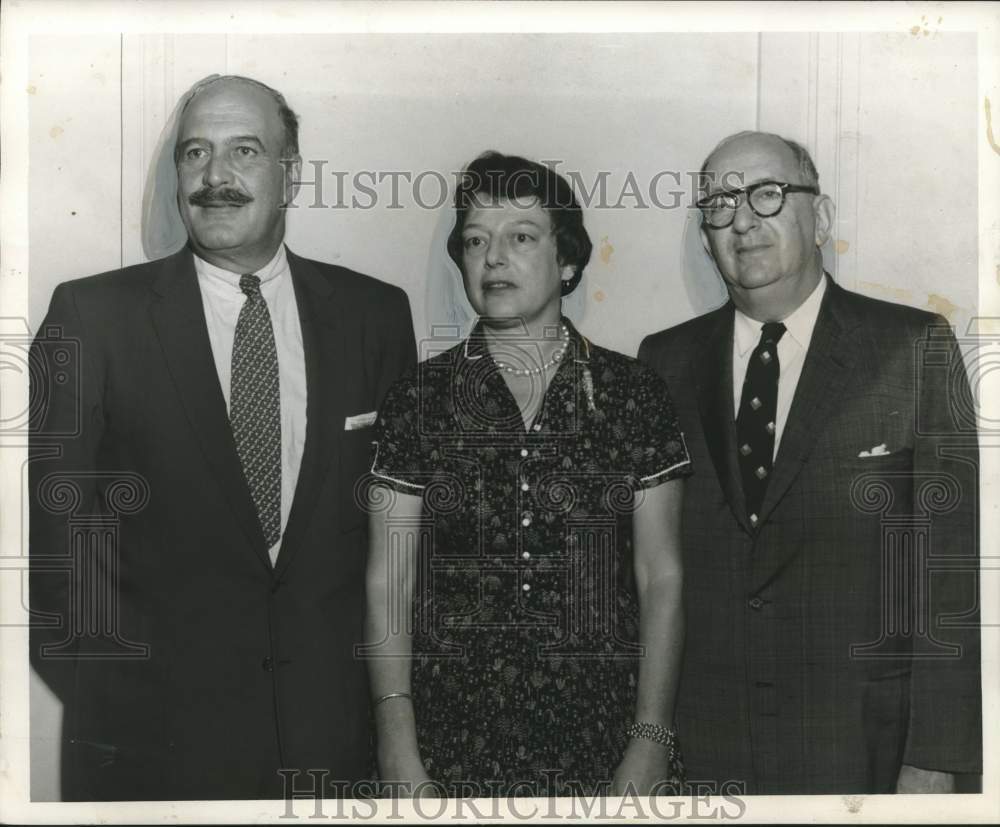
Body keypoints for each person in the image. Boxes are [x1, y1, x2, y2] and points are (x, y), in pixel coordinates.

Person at [28, 75, 416, 800]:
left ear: (290, 174)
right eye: (194, 154)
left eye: (244, 151)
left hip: (332, 754)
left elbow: (393, 547)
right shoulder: (91, 318)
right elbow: (58, 563)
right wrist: (130, 712)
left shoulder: (375, 317)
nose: (215, 177)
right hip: (156, 760)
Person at [638, 130, 981, 794]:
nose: (742, 219)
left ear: (819, 217)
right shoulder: (664, 361)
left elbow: (951, 578)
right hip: (707, 751)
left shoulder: (914, 347)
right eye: (719, 203)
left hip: (865, 750)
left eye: (767, 194)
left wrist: (937, 758)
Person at [364, 151, 690, 798]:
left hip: (602, 732)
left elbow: (662, 577)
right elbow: (388, 579)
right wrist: (396, 740)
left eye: (520, 237)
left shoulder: (632, 394)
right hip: (449, 738)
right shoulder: (419, 399)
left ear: (567, 259)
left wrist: (651, 737)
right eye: (477, 241)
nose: (493, 258)